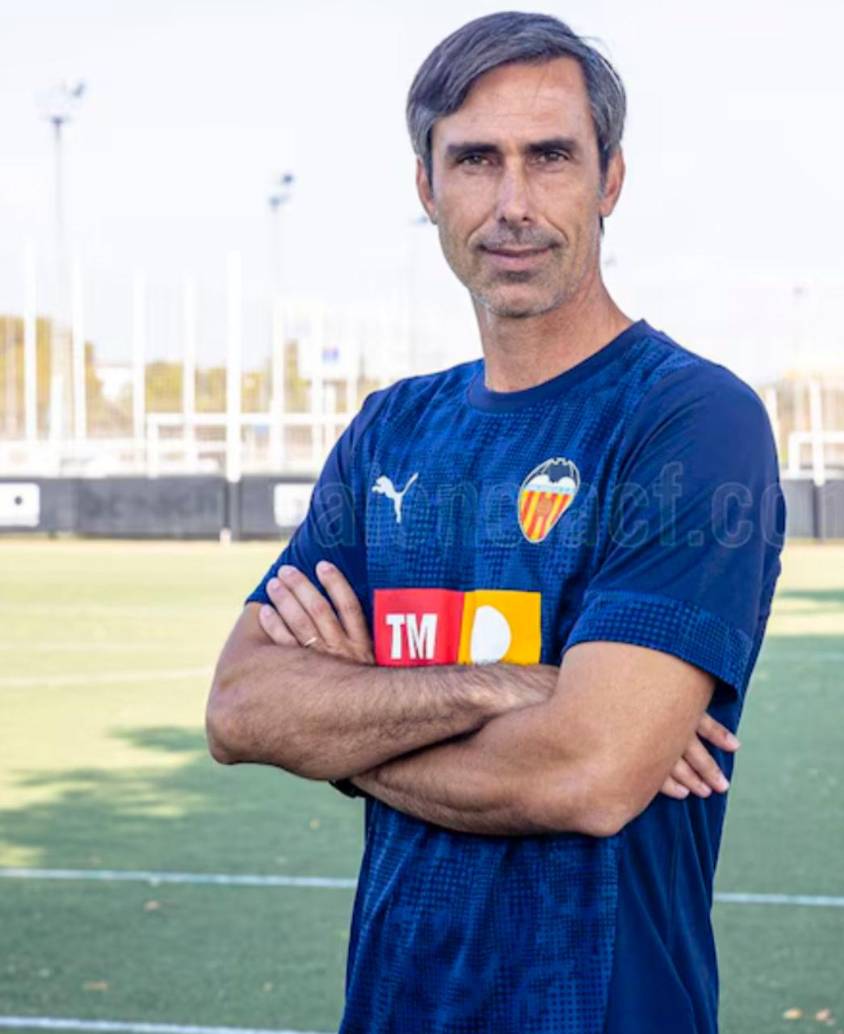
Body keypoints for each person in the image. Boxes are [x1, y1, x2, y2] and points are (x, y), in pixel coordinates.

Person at [205, 11, 785, 1033]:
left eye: (549, 156)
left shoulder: (688, 419)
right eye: (474, 160)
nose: (512, 203)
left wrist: (348, 717)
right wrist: (510, 683)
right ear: (426, 188)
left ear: (609, 180)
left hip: (604, 1006)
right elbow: (244, 708)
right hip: (394, 1005)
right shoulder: (391, 429)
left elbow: (589, 770)